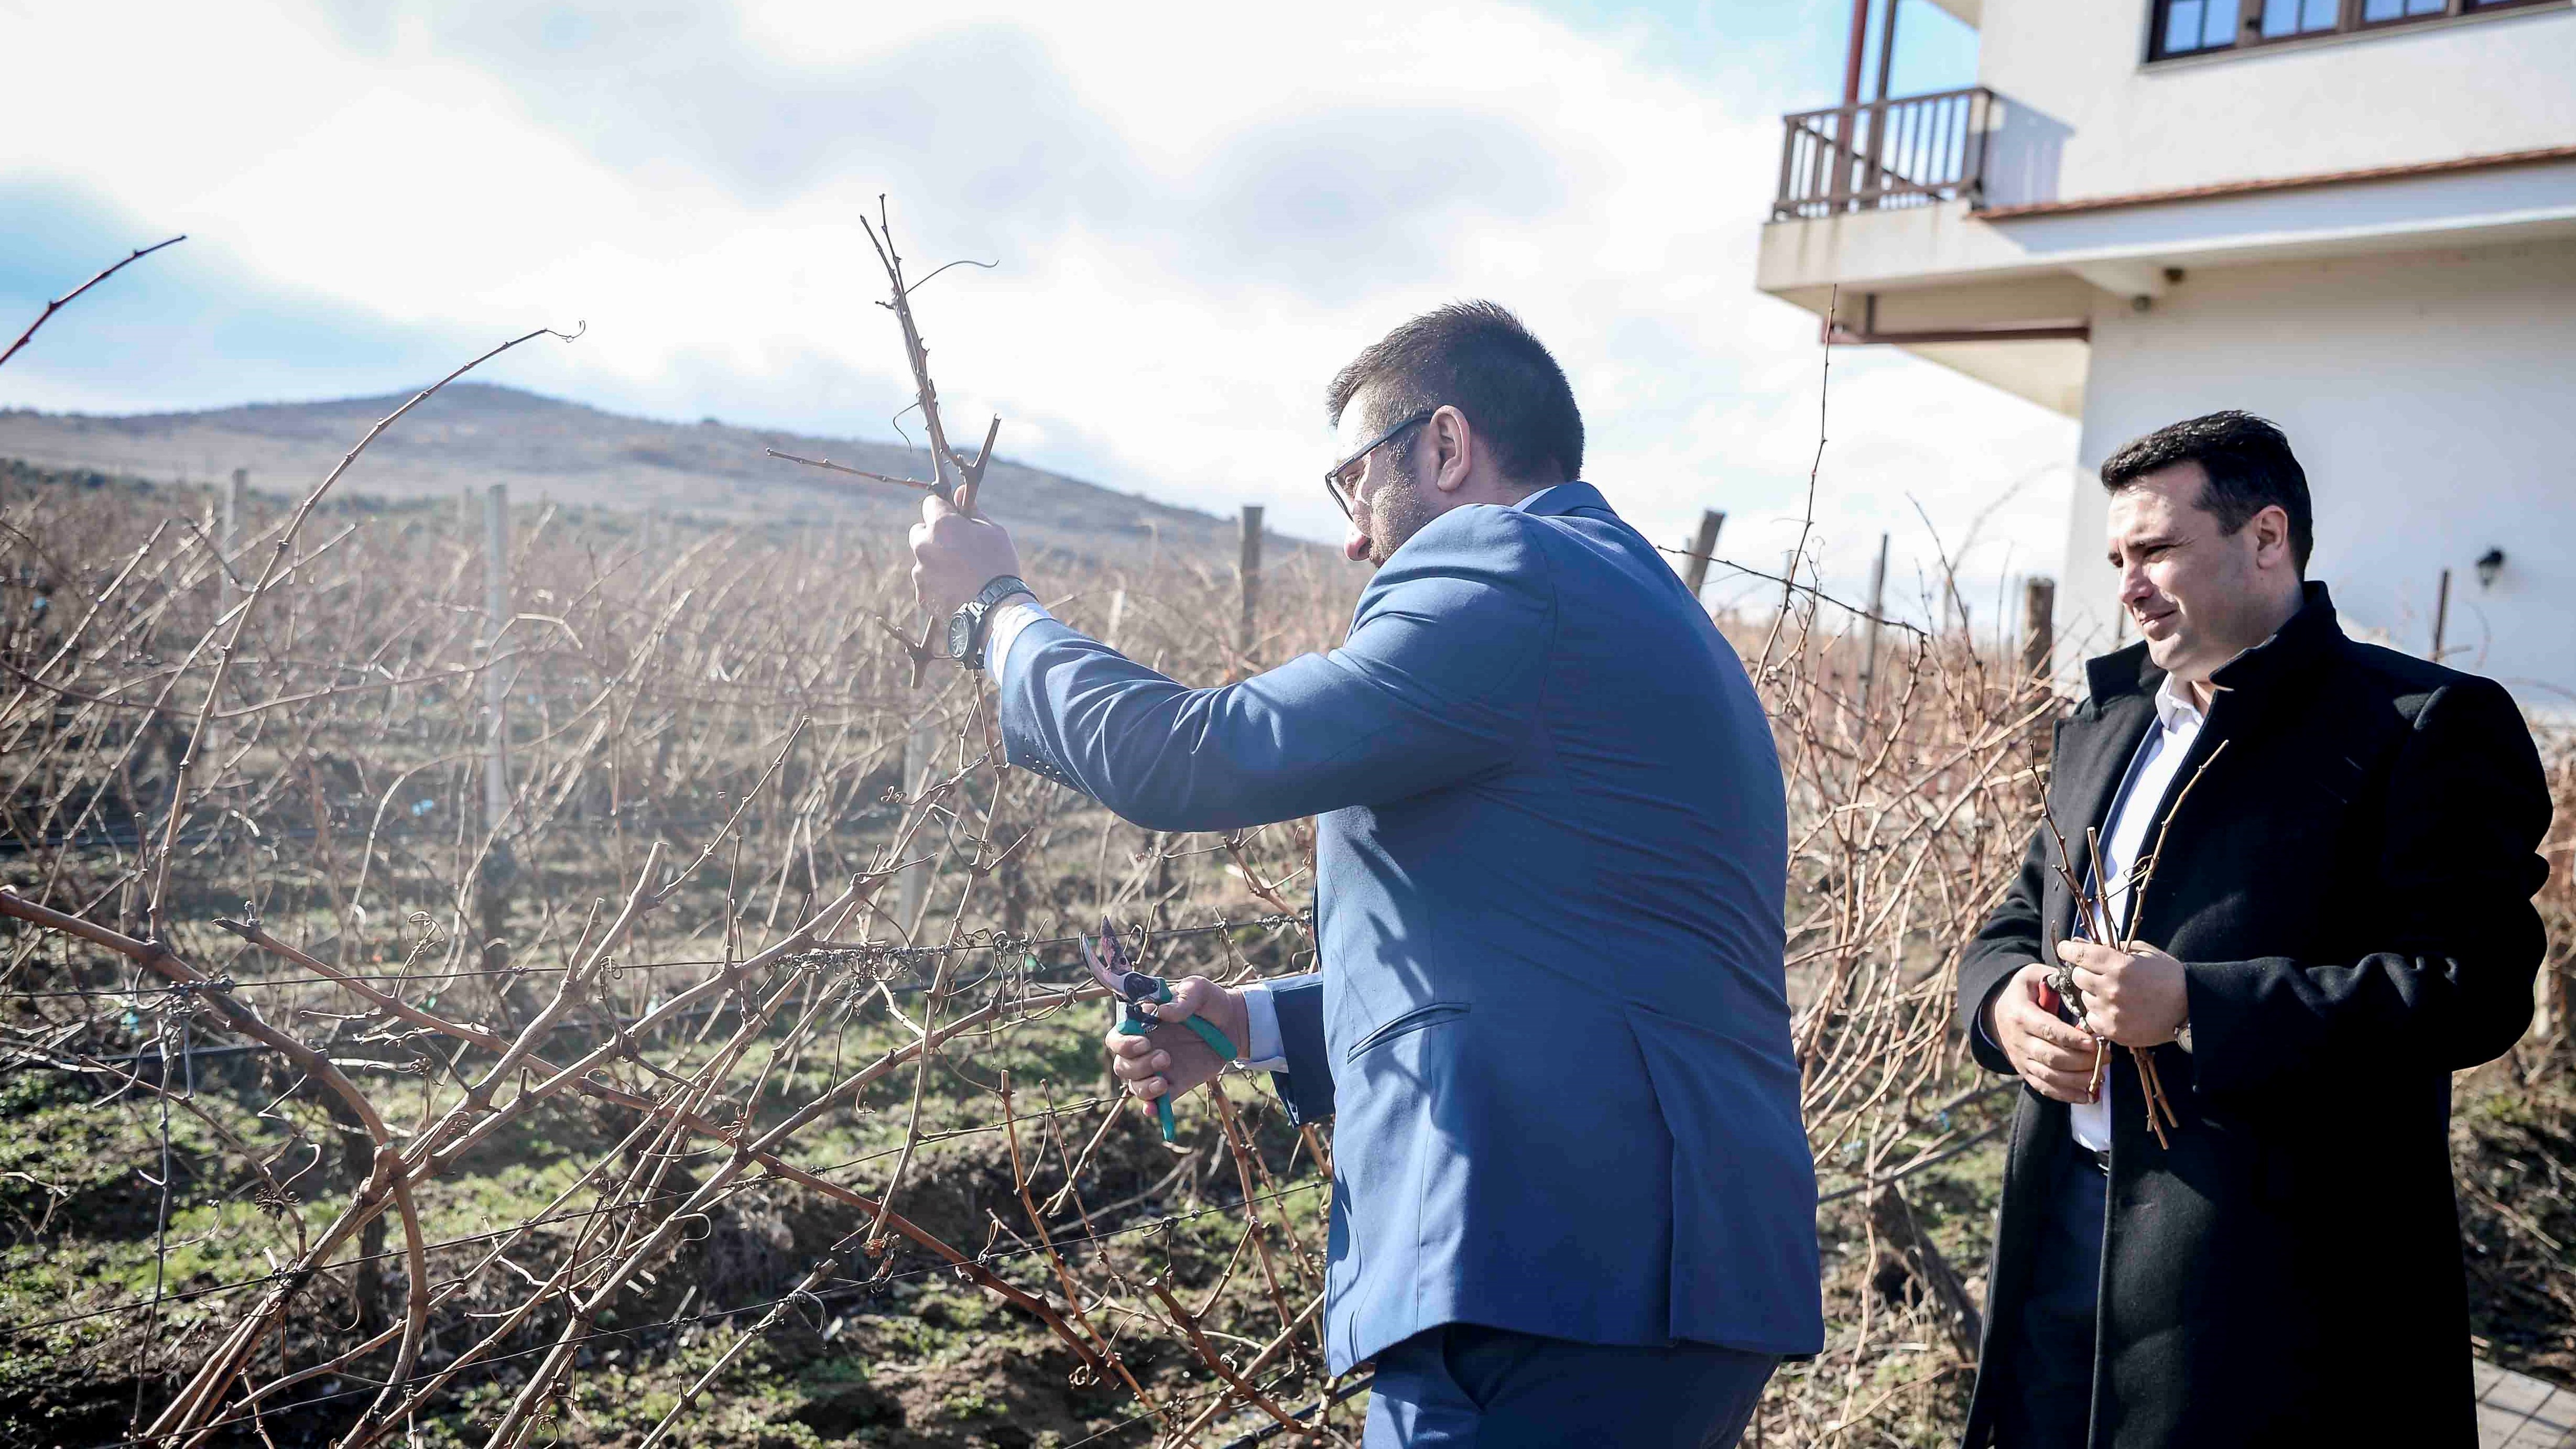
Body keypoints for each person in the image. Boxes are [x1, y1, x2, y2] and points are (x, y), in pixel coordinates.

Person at [907, 302, 1821, 1447]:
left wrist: (998, 614)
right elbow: (1573, 942)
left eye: (1352, 486)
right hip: (1666, 1277)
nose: (1352, 540)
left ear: (1444, 447)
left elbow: (1189, 758)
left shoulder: (1508, 564)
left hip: (1546, 1271)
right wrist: (1257, 1023)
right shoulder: (1645, 608)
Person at [1955, 411, 2552, 1448]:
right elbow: (2015, 919)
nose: (2128, 585)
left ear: (2266, 537)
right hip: (2059, 1237)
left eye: (2154, 551)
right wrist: (2005, 1003)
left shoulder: (2422, 724)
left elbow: (2474, 983)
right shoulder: (2102, 725)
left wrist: (2196, 1006)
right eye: (2116, 558)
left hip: (2275, 1295)